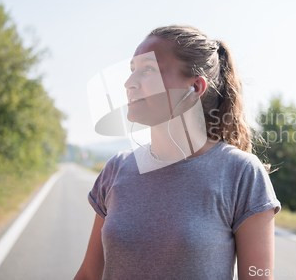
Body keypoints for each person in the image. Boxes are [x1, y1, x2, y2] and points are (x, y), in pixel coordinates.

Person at [74, 25, 281, 280]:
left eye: (148, 70)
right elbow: (88, 275)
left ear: (194, 87)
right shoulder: (117, 168)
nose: (129, 83)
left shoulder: (242, 173)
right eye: (132, 71)